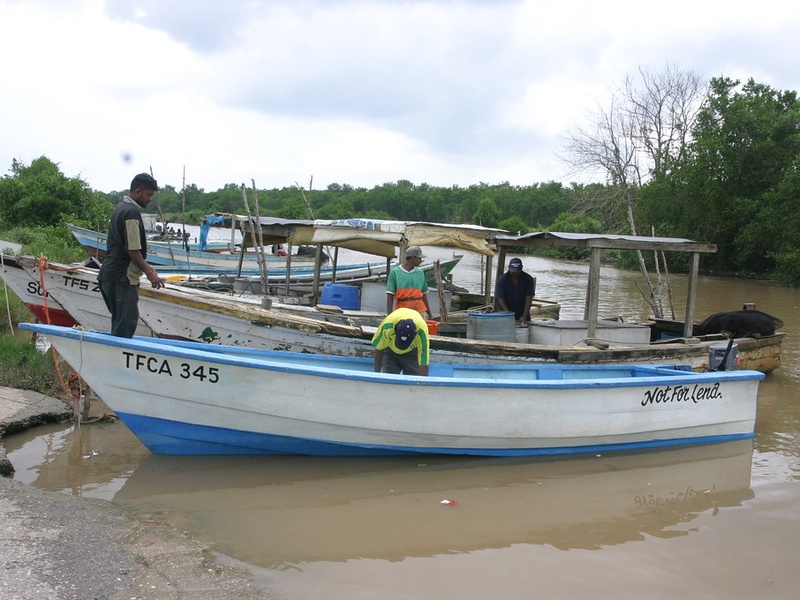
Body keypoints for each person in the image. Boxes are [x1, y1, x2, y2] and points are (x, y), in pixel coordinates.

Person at [98, 173, 165, 337]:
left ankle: (112, 359)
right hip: (123, 276)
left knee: (119, 323)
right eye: (148, 194)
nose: (150, 199)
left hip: (108, 275)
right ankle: (116, 361)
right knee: (126, 325)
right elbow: (133, 249)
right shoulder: (131, 213)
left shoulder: (120, 208)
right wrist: (150, 272)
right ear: (138, 191)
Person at [372, 307, 430, 376]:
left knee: (413, 380)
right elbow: (379, 348)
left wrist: (420, 384)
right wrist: (376, 375)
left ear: (415, 336)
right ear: (395, 331)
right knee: (389, 380)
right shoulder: (387, 326)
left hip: (412, 352)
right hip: (391, 351)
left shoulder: (421, 332)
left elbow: (424, 364)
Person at [385, 246, 433, 319]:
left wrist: (429, 314)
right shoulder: (395, 272)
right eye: (419, 258)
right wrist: (389, 316)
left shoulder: (420, 273)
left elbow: (424, 295)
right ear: (413, 258)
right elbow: (390, 295)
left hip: (419, 310)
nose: (421, 260)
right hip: (401, 310)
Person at [495, 257, 535, 325]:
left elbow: (529, 298)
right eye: (513, 271)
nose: (515, 273)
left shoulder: (528, 279)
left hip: (522, 312)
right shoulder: (502, 280)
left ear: (521, 268)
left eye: (517, 271)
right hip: (505, 311)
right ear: (509, 268)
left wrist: (524, 316)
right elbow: (500, 298)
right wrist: (508, 315)